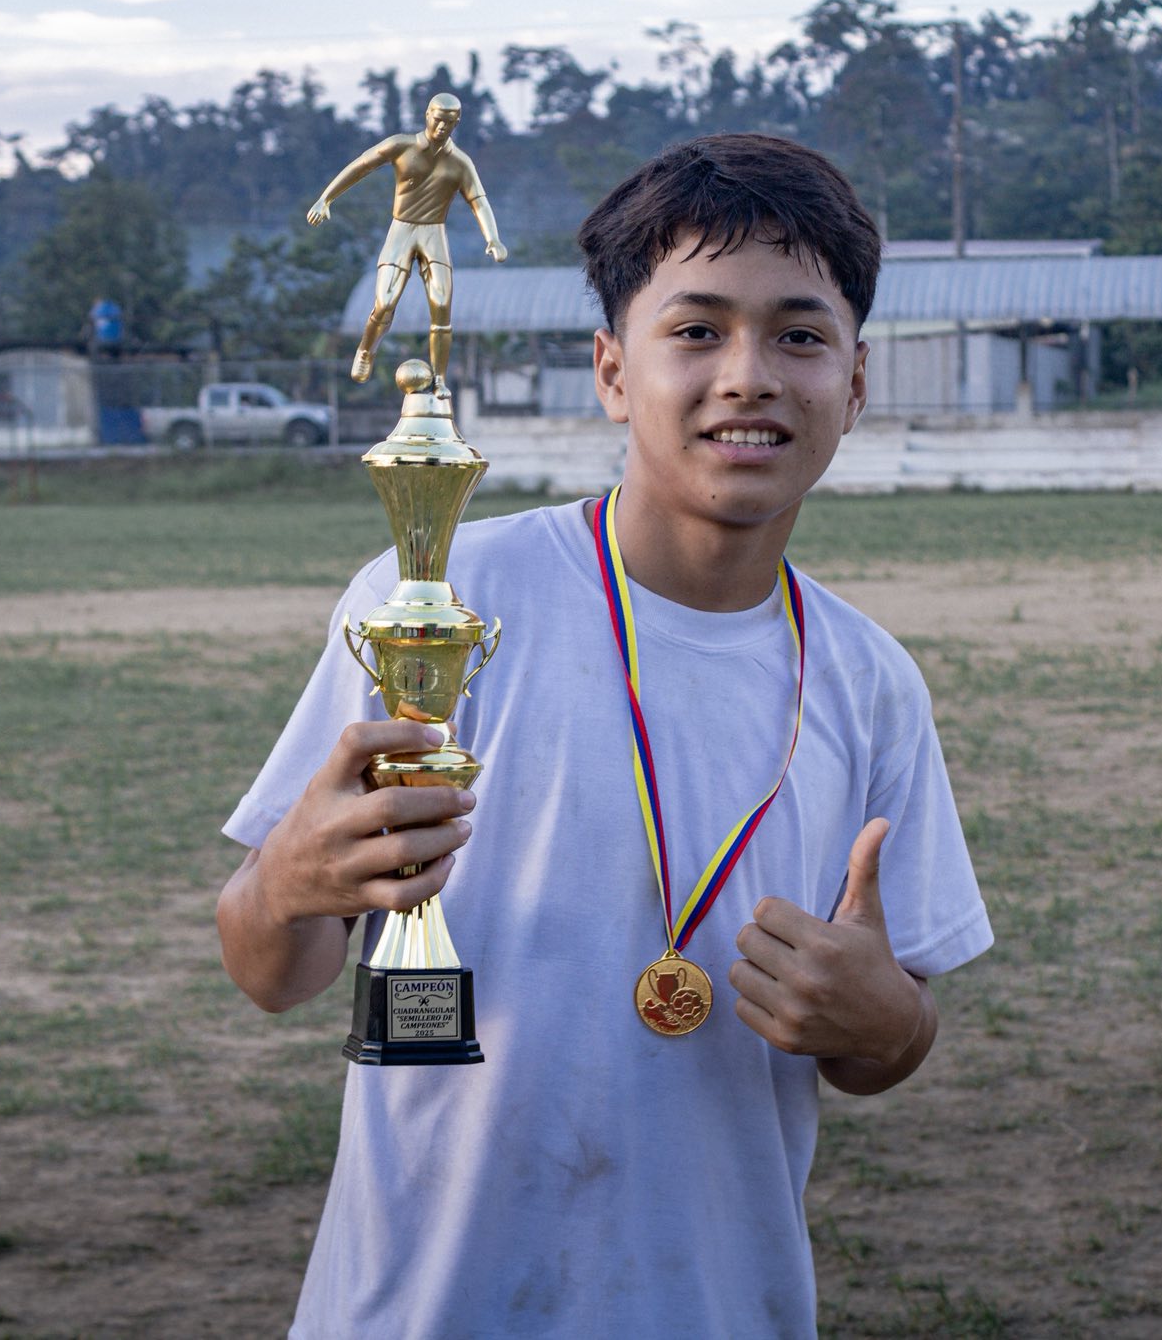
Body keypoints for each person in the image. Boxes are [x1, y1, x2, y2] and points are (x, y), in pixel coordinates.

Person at [219, 132, 991, 1338]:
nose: (746, 376)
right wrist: (286, 885)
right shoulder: (441, 599)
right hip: (422, 1308)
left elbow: (887, 1035)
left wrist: (886, 1021)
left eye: (798, 335)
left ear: (854, 383)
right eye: (695, 330)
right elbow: (270, 969)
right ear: (612, 371)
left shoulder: (869, 682)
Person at [306, 92, 509, 389]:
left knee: (442, 304)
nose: (442, 127)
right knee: (385, 301)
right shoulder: (402, 146)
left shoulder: (460, 163)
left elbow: (479, 201)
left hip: (434, 233)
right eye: (438, 119)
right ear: (427, 115)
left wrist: (493, 238)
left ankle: (439, 378)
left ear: (457, 124)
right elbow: (361, 165)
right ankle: (366, 350)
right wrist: (326, 198)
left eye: (449, 122)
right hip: (401, 230)